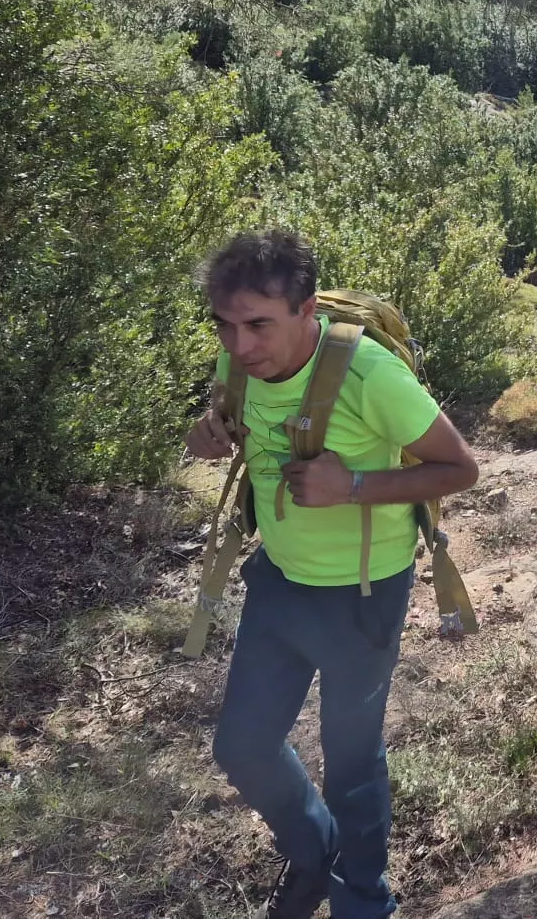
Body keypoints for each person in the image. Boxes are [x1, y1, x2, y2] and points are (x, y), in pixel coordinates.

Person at [185, 230, 480, 919]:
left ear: (307, 309)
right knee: (243, 746)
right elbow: (229, 422)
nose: (241, 344)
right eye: (226, 326)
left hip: (362, 596)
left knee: (351, 762)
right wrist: (207, 432)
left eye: (259, 324)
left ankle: (365, 900)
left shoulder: (369, 374)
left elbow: (460, 468)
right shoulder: (241, 365)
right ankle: (316, 854)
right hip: (281, 580)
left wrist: (350, 486)